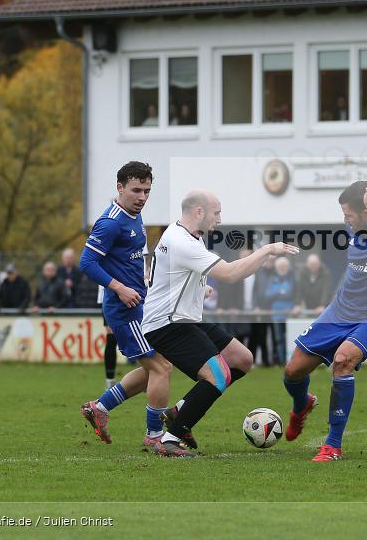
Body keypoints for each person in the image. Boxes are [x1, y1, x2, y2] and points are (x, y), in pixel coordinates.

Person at [141, 189, 299, 457]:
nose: (220, 219)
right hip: (167, 324)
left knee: (242, 359)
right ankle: (170, 439)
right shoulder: (183, 242)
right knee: (219, 375)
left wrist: (198, 288)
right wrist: (267, 250)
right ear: (199, 212)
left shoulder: (185, 235)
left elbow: (181, 275)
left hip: (185, 319)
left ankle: (179, 411)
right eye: (217, 213)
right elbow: (230, 273)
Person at [282, 181, 367, 462]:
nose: (346, 221)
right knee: (293, 371)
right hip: (339, 311)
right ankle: (301, 404)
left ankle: (332, 445)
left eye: (349, 214)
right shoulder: (354, 227)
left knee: (343, 360)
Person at [78, 162, 176, 452]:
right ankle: (155, 435)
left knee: (152, 370)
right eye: (136, 190)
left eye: (147, 190)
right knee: (163, 368)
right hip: (124, 309)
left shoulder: (135, 216)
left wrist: (146, 282)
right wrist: (119, 288)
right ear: (120, 187)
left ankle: (100, 407)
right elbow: (87, 262)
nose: (142, 196)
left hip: (140, 304)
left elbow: (129, 260)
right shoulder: (110, 223)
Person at [262, 256, 295, 365]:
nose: (282, 268)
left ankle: (291, 360)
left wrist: (281, 293)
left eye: (284, 266)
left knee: (290, 338)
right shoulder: (272, 278)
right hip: (276, 313)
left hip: (290, 313)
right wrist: (280, 293)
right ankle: (282, 362)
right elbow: (267, 295)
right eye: (280, 266)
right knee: (278, 338)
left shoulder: (292, 278)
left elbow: (293, 293)